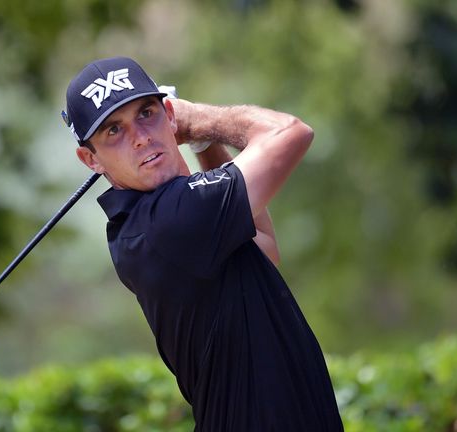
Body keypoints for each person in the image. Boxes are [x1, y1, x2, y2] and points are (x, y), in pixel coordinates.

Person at [62, 56, 343, 431]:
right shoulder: (170, 222)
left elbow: (264, 246)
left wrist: (202, 141)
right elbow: (290, 133)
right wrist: (198, 120)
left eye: (146, 113)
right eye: (114, 131)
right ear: (89, 159)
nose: (141, 136)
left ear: (167, 115)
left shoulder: (149, 223)